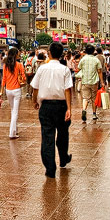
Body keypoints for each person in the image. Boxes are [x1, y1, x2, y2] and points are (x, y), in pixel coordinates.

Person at [30, 42, 73, 179]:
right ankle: (63, 158)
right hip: (61, 106)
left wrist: (35, 101)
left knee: (47, 137)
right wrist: (69, 108)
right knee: (62, 134)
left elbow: (35, 88)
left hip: (46, 106)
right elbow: (67, 90)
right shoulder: (64, 69)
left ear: (49, 53)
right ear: (61, 55)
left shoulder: (42, 69)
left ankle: (50, 168)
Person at [0, 48, 26, 139]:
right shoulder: (19, 65)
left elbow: (4, 79)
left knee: (12, 110)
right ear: (15, 55)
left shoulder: (6, 65)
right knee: (15, 112)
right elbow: (23, 78)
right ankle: (12, 132)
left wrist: (1, 91)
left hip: (8, 90)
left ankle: (15, 130)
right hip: (16, 90)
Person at [76, 45, 103, 123]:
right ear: (93, 51)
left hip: (85, 81)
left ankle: (84, 109)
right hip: (94, 82)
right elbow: (99, 71)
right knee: (94, 98)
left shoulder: (83, 59)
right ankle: (94, 114)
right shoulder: (96, 60)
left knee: (85, 98)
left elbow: (79, 68)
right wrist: (102, 82)